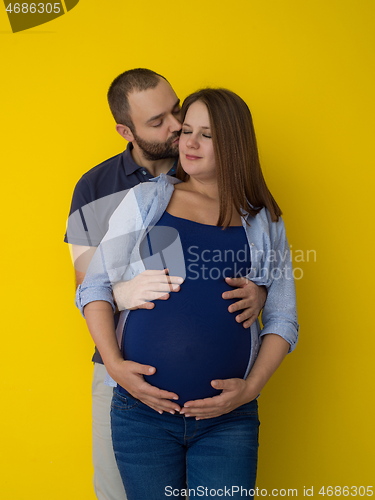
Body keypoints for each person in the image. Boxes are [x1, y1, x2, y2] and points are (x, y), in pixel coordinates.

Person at [77, 88, 299, 499]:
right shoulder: (146, 199)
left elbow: (284, 320)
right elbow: (93, 286)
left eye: (207, 135)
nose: (189, 143)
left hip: (227, 420)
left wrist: (250, 390)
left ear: (234, 143)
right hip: (142, 414)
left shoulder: (264, 220)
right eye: (188, 131)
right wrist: (115, 366)